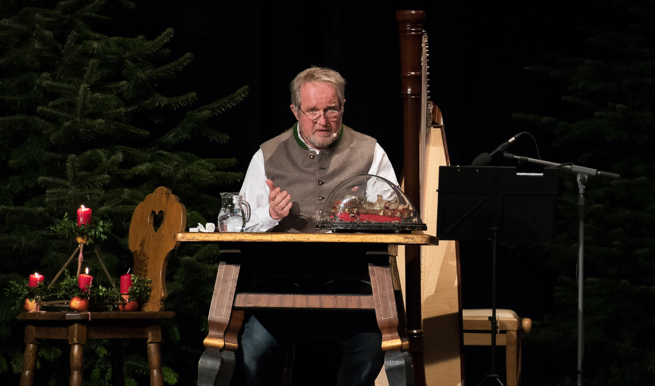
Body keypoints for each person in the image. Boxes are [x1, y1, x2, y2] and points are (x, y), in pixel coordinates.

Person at [238, 67, 399, 386]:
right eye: (312, 111)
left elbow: (395, 217)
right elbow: (239, 223)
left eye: (331, 109)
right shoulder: (267, 155)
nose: (322, 121)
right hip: (281, 285)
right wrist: (270, 214)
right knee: (253, 351)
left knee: (370, 349)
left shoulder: (370, 151)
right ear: (295, 110)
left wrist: (364, 215)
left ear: (342, 106)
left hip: (350, 284)